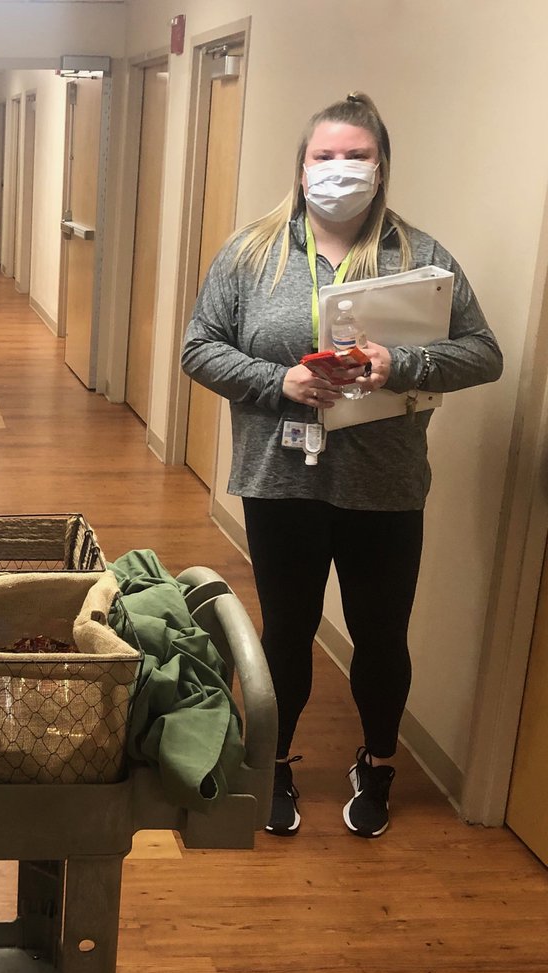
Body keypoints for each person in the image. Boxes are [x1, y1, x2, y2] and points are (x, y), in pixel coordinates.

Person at [181, 93, 501, 839]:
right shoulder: (252, 254)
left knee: (381, 636)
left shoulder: (420, 259)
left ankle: (378, 764)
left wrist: (403, 364)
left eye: (356, 156)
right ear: (300, 168)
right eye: (324, 156)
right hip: (280, 480)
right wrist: (279, 382)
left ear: (381, 167)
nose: (339, 169)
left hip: (384, 484)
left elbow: (484, 354)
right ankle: (273, 765)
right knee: (286, 632)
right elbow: (200, 347)